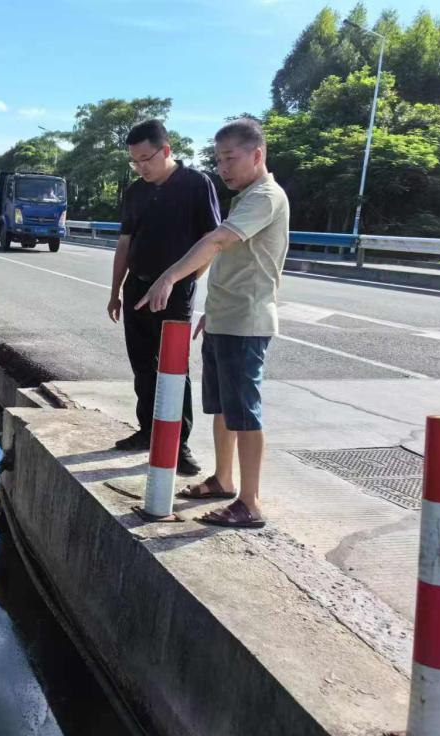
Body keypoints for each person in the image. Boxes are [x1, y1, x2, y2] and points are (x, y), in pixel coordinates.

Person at [135, 118, 289, 528]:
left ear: (257, 155)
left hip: (247, 323)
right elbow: (231, 262)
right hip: (224, 319)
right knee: (221, 408)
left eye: (231, 158)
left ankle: (250, 503)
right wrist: (211, 312)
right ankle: (223, 479)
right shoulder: (245, 198)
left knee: (245, 412)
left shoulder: (266, 196)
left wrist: (170, 275)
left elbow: (216, 241)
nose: (223, 168)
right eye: (218, 159)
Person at [108, 118, 221, 476]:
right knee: (142, 363)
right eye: (134, 161)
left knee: (173, 368)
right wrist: (115, 293)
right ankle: (146, 430)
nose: (141, 167)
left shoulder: (196, 185)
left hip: (175, 292)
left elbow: (211, 243)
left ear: (166, 151)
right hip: (137, 287)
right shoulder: (135, 192)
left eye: (146, 159)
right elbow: (124, 243)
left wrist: (186, 282)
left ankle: (179, 442)